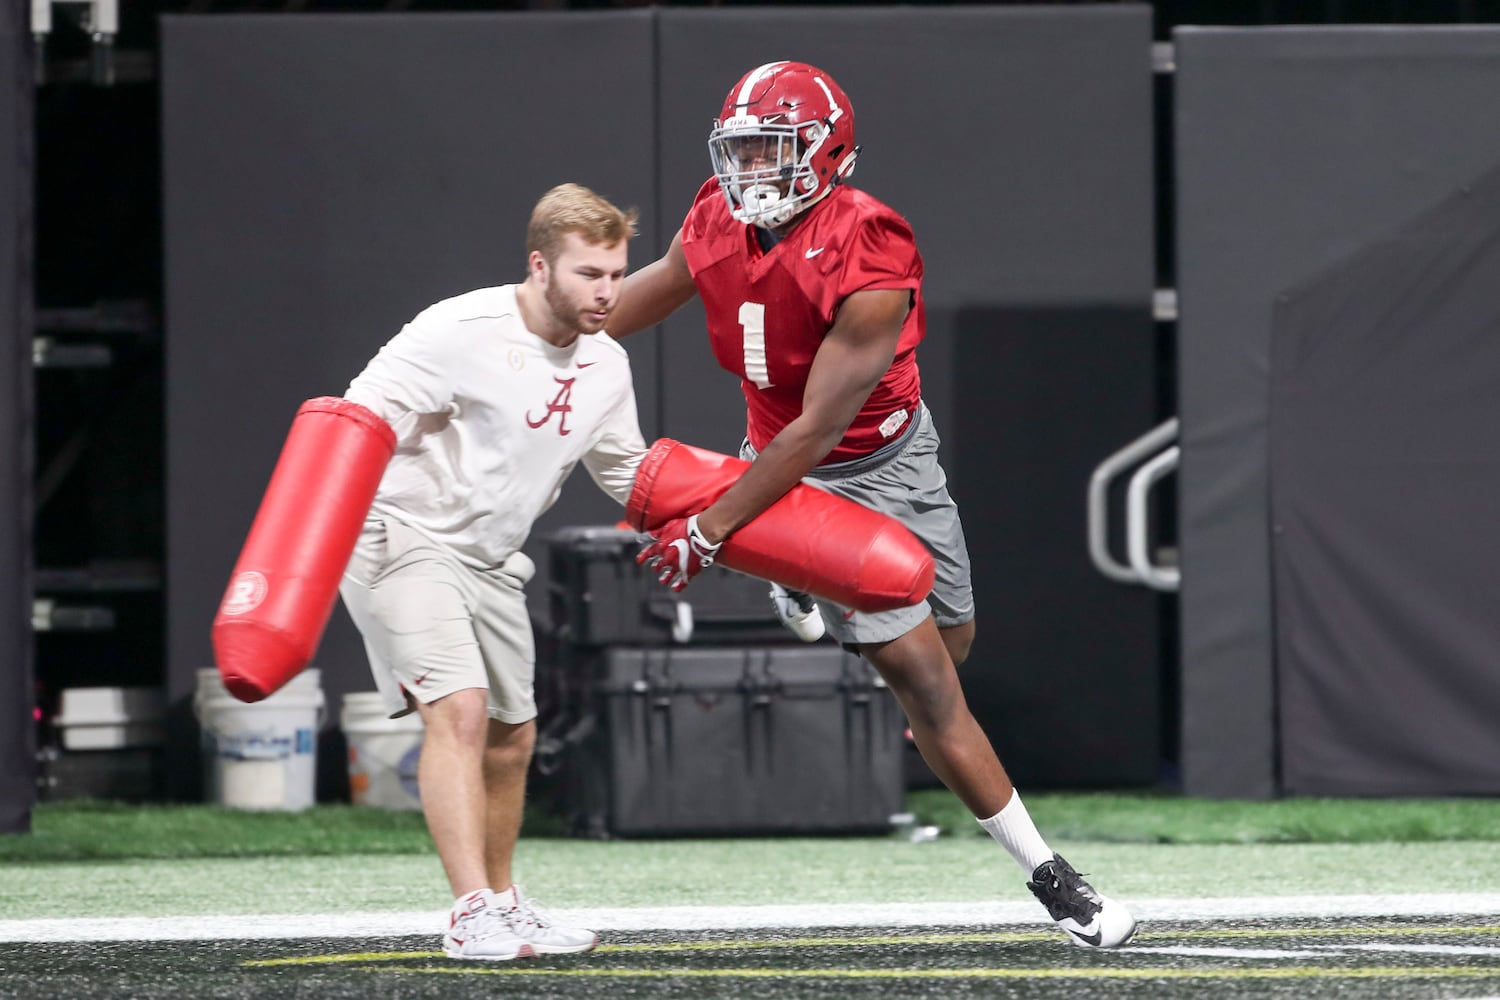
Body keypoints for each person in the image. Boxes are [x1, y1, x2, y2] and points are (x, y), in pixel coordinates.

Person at [609, 61, 1137, 949]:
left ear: (828, 155)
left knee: (955, 644)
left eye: (773, 152)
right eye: (741, 151)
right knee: (926, 683)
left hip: (879, 463)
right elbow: (634, 300)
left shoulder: (872, 244)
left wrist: (714, 524)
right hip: (781, 469)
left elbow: (819, 428)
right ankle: (1054, 879)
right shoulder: (714, 213)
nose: (752, 172)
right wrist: (532, 328)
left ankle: (795, 577)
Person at [338, 183, 647, 961]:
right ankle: (470, 910)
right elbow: (356, 421)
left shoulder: (607, 364)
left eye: (615, 273)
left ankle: (506, 903)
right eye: (588, 273)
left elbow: (630, 474)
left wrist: (722, 520)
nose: (606, 291)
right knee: (462, 712)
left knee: (513, 735)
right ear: (539, 266)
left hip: (489, 557)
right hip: (399, 533)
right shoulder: (457, 329)